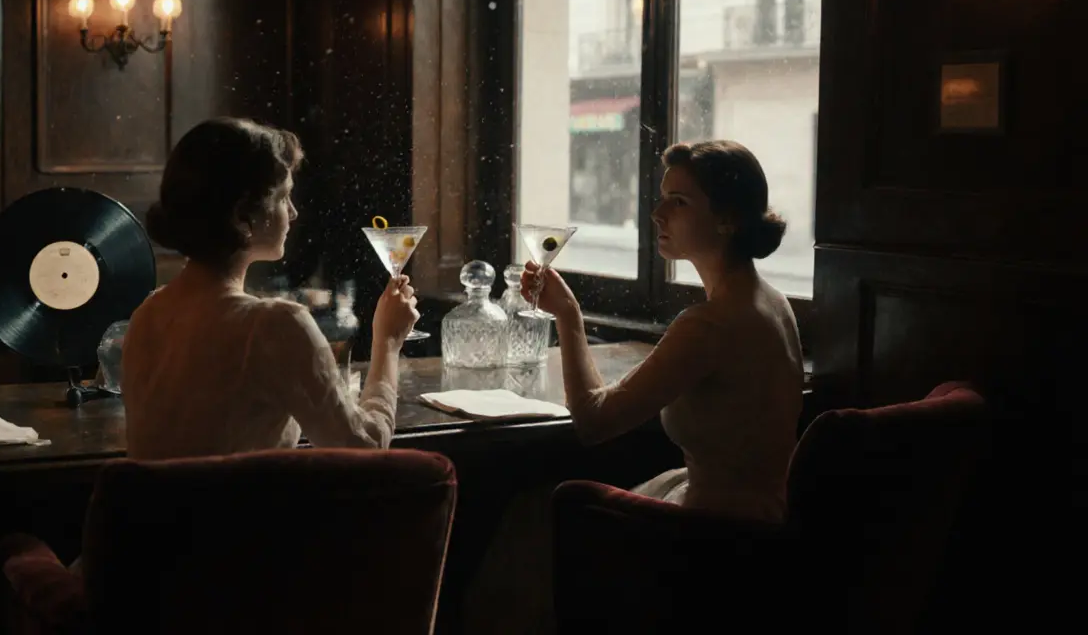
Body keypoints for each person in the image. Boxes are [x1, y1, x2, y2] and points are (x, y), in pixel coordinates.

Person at [464, 139, 803, 632]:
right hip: (770, 522)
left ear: (727, 220)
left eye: (679, 202)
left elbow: (593, 422)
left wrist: (569, 315)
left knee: (526, 516)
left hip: (714, 542)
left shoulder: (709, 324)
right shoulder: (772, 301)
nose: (657, 213)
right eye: (662, 197)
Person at [120, 117, 420, 460]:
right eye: (283, 197)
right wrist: (387, 342)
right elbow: (365, 447)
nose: (293, 213)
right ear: (242, 217)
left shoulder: (147, 316)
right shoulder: (274, 325)